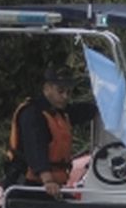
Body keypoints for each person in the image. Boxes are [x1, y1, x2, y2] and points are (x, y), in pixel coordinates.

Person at [5, 66, 99, 199]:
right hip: (28, 188)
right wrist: (48, 180)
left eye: (68, 92)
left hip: (47, 186)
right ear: (47, 88)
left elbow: (79, 112)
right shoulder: (33, 113)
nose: (65, 96)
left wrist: (100, 108)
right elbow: (35, 148)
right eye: (60, 91)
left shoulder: (60, 111)